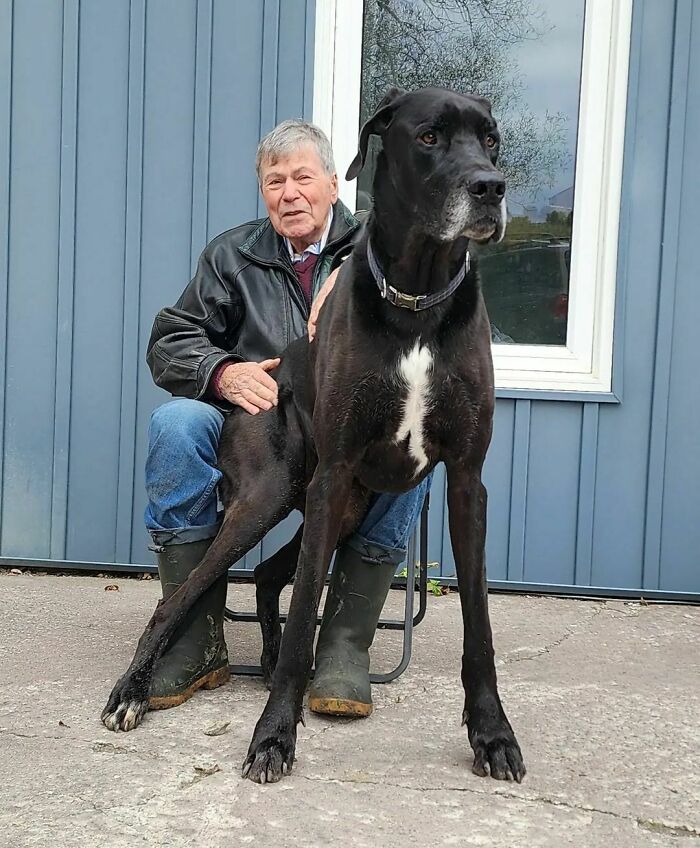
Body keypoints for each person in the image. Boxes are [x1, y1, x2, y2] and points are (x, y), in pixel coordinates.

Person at [144, 119, 430, 718]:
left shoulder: (380, 250)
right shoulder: (232, 255)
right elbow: (172, 340)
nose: (289, 193)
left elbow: (427, 332)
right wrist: (222, 371)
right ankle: (195, 639)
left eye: (303, 177)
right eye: (274, 181)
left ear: (333, 184)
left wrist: (356, 280)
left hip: (351, 435)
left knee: (416, 443)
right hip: (260, 435)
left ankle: (344, 643)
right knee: (175, 425)